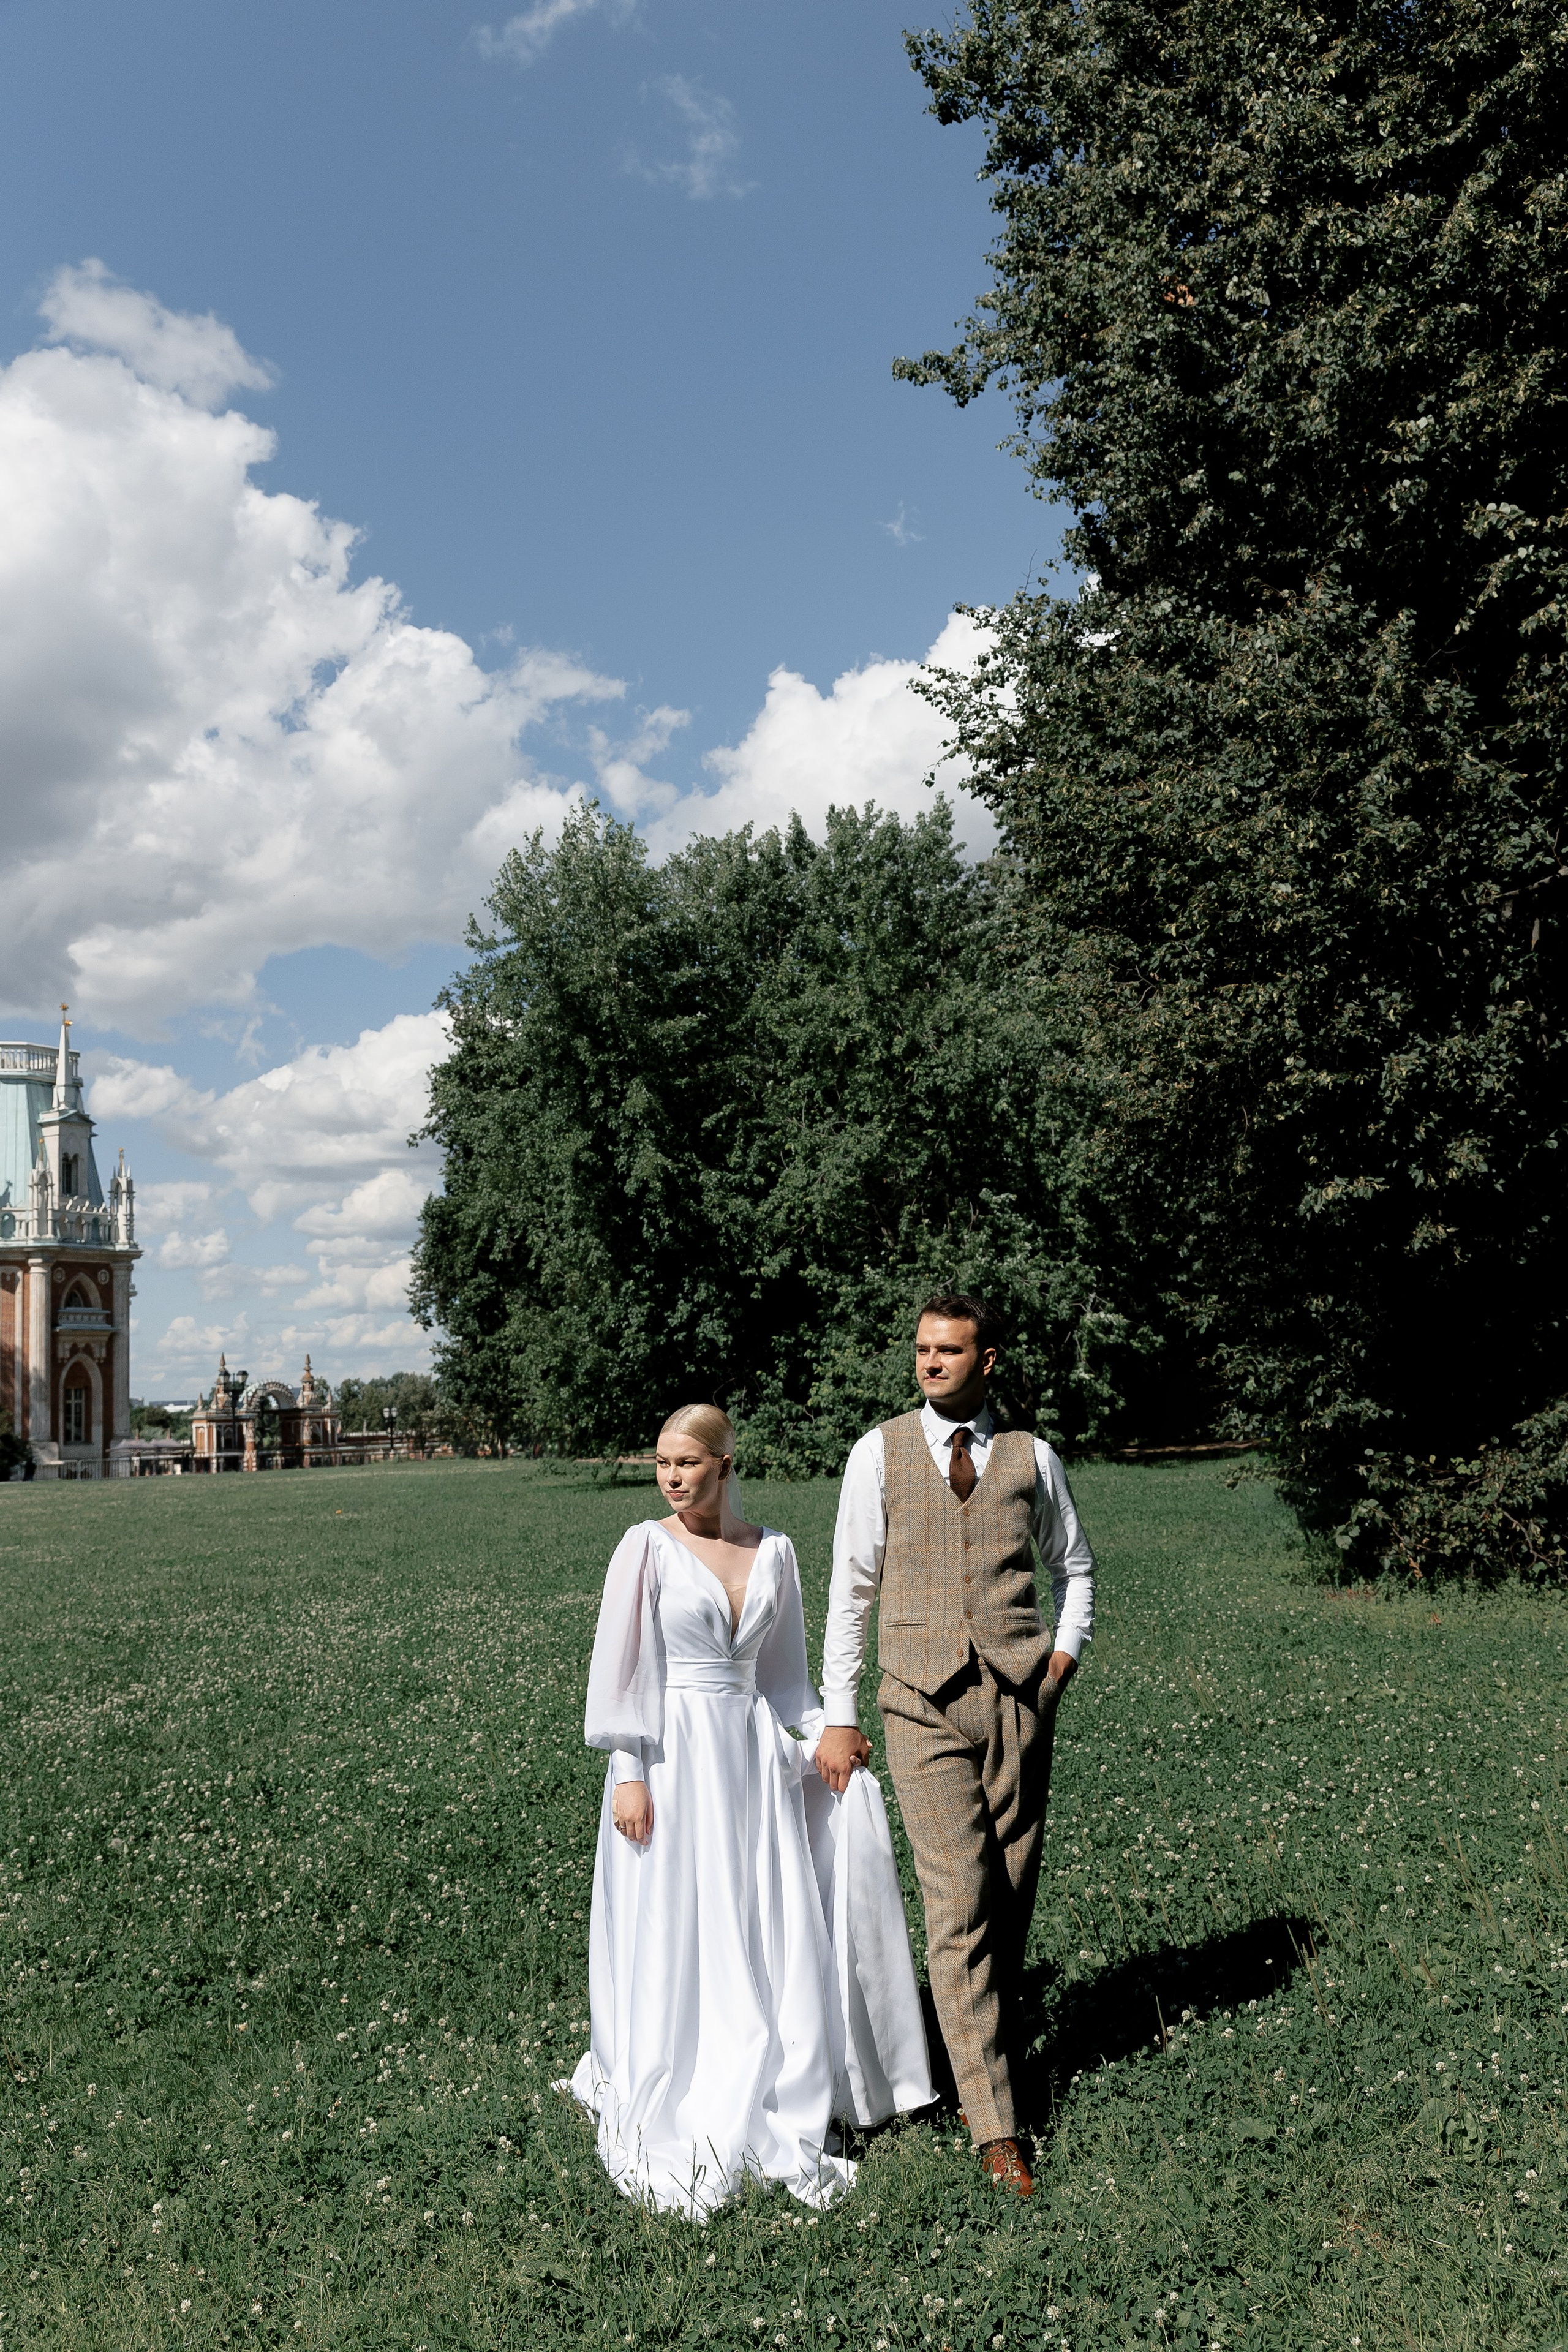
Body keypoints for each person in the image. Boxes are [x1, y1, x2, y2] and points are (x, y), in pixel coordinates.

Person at [567, 1403, 933, 2217]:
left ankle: (780, 2063)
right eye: (660, 1462)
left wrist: (829, 1740)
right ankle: (681, 2059)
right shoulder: (646, 1548)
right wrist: (629, 1771)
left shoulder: (776, 1552)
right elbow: (624, 1669)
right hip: (670, 1758)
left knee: (759, 1910)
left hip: (752, 1755)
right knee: (681, 1912)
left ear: (726, 1465)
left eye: (687, 1463)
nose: (670, 1476)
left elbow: (784, 1680)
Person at [814, 1294, 1096, 2198]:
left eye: (950, 1351)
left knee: (1007, 1904)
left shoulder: (1032, 1458)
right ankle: (995, 2127)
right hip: (919, 1707)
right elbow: (851, 1589)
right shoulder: (880, 1452)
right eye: (923, 1349)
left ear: (989, 1360)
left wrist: (1059, 1663)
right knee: (958, 1903)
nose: (931, 1363)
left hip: (1019, 1702)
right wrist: (840, 1710)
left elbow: (1075, 1570)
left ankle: (979, 2047)